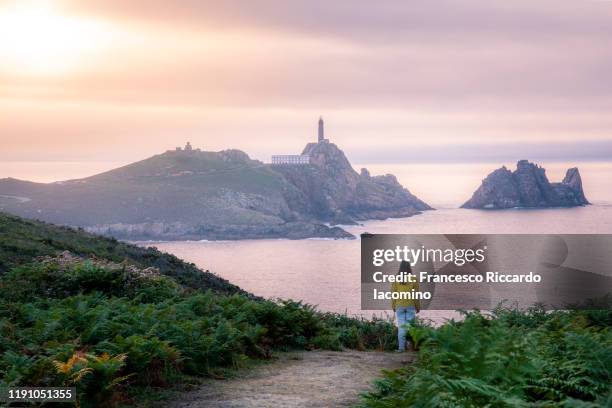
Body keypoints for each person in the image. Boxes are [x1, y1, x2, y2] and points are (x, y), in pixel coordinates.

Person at [391, 260, 420, 352]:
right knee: (410, 328)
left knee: (401, 327)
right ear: (409, 268)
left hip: (399, 306)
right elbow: (416, 295)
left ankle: (401, 348)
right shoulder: (413, 278)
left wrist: (393, 306)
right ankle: (411, 347)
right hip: (410, 306)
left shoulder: (396, 279)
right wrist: (418, 306)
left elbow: (393, 294)